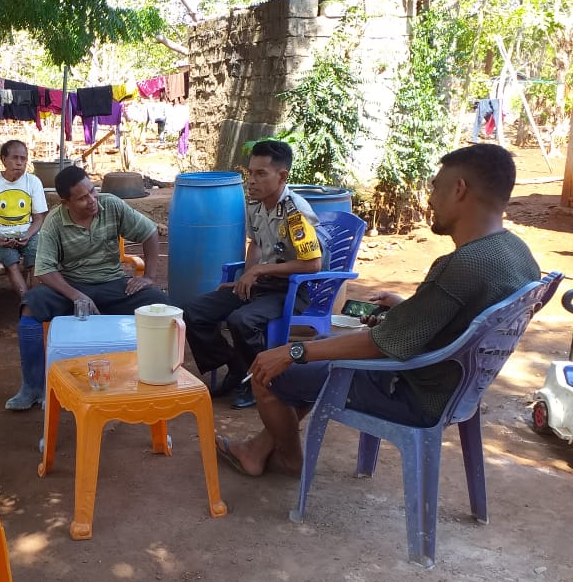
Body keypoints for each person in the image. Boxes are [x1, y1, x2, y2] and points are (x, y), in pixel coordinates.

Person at [218, 145, 540, 478]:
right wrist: (405, 309)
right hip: (457, 384)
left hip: (412, 391)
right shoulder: (517, 253)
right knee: (316, 357)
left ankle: (286, 459)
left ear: (459, 189)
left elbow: (379, 343)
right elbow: (463, 318)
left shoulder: (463, 265)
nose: (429, 199)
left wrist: (295, 350)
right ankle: (257, 450)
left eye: (435, 186)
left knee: (267, 372)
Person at [5, 165, 170, 410]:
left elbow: (149, 233)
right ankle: (32, 387)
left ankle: (157, 377)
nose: (92, 200)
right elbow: (44, 269)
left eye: (92, 191)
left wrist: (148, 277)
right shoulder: (54, 222)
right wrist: (76, 295)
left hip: (114, 284)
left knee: (159, 306)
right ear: (65, 202)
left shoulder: (111, 204)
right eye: (82, 198)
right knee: (30, 307)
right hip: (72, 286)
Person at [183, 139, 323, 409]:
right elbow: (257, 244)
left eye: (261, 174)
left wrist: (259, 270)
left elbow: (312, 265)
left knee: (242, 321)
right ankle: (239, 368)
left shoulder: (295, 212)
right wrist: (246, 277)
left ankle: (260, 381)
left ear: (282, 176)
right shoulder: (255, 205)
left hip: (291, 289)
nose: (252, 181)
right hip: (262, 284)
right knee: (194, 311)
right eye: (250, 173)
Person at [0, 139, 48, 297]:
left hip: (29, 234)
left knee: (35, 260)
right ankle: (27, 301)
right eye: (15, 158)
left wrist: (28, 234)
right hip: (0, 235)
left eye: (23, 159)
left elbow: (38, 218)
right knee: (11, 261)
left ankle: (36, 301)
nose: (19, 163)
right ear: (4, 159)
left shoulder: (33, 182)